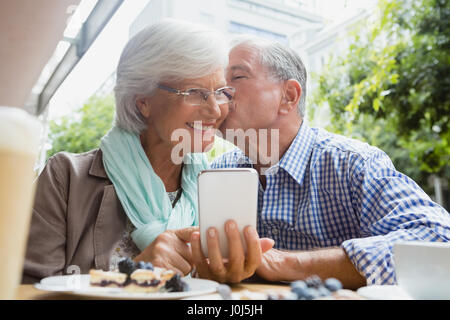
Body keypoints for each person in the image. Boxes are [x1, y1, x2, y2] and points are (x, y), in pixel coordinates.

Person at [189, 35, 450, 288]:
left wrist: (285, 262)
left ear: (289, 96)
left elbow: (439, 238)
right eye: (219, 84)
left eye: (237, 77)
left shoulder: (353, 164)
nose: (219, 94)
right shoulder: (218, 171)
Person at [22, 19, 248, 283]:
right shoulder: (65, 177)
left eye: (219, 92)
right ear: (143, 102)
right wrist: (129, 278)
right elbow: (24, 288)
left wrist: (230, 279)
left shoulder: (215, 186)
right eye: (195, 92)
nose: (215, 109)